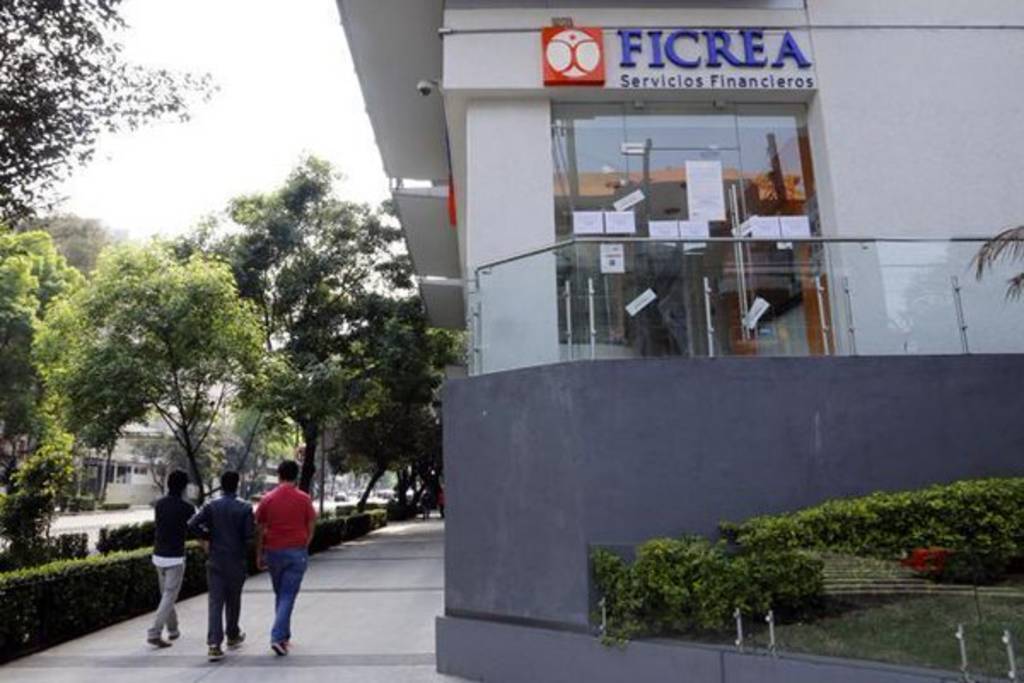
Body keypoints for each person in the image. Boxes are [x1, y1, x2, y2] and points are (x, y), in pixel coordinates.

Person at [189, 471, 255, 662]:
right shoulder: (245, 507)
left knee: (215, 602)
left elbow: (192, 524)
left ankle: (214, 644)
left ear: (222, 484)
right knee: (234, 600)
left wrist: (207, 537)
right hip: (236, 560)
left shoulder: (211, 505)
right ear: (237, 484)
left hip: (215, 558)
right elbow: (249, 537)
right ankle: (232, 635)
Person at [255, 460, 316, 656]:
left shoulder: (267, 499)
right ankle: (277, 637)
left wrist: (259, 553)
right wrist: (305, 544)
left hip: (273, 552)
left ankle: (284, 637)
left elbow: (260, 529)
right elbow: (311, 524)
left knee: (281, 595)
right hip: (296, 551)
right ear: (296, 476)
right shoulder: (304, 499)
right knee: (288, 595)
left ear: (279, 475)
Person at [147, 470, 195, 648]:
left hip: (158, 555)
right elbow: (195, 529)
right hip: (175, 557)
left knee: (167, 595)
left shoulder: (159, 504)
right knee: (169, 596)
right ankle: (155, 632)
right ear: (184, 487)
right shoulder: (187, 507)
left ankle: (173, 629)